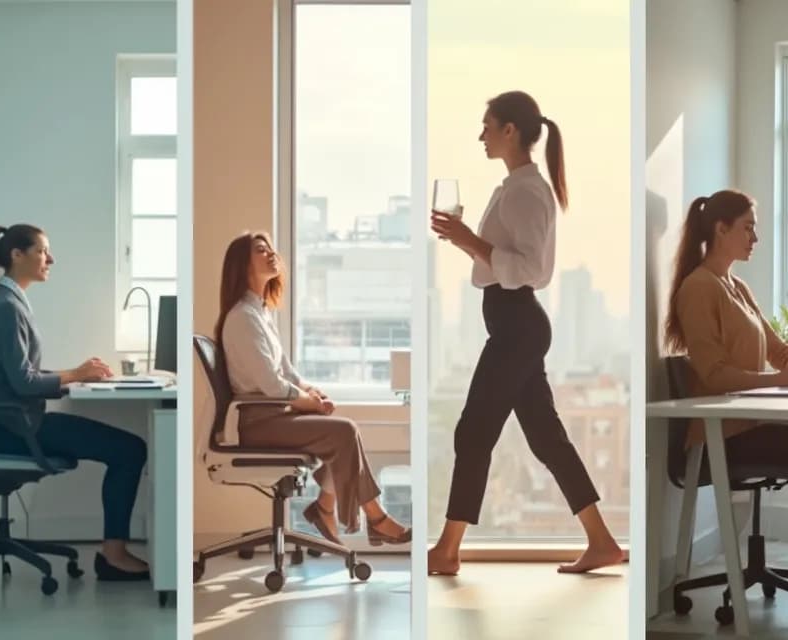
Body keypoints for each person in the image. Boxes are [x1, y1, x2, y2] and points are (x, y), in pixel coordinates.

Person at [427, 90, 622, 576]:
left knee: (473, 431)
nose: (481, 135)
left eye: (487, 126)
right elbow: (499, 263)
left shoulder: (526, 191)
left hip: (517, 326)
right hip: (514, 324)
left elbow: (533, 269)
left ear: (510, 130)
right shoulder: (514, 185)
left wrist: (469, 238)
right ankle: (602, 541)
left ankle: (447, 551)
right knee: (547, 439)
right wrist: (466, 241)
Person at [664, 189, 788, 607]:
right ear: (721, 230)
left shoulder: (734, 285)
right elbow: (714, 374)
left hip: (749, 425)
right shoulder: (699, 289)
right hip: (722, 439)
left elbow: (777, 347)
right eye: (748, 228)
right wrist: (781, 376)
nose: (755, 237)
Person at [0, 224, 150, 581]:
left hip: (15, 424)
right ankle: (113, 556)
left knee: (128, 448)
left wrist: (77, 375)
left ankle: (113, 552)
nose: (50, 259)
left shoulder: (9, 301)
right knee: (130, 450)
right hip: (16, 430)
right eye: (42, 251)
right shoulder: (6, 307)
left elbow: (21, 374)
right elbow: (23, 381)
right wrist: (74, 374)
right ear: (17, 255)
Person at [215, 231, 412, 546]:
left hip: (273, 417)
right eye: (260, 250)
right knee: (344, 431)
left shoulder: (261, 313)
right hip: (256, 422)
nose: (271, 254)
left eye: (270, 249)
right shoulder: (242, 317)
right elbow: (270, 385)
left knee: (344, 432)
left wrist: (311, 391)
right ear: (242, 265)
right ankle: (369, 517)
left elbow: (287, 373)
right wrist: (305, 403)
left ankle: (328, 508)